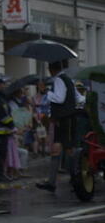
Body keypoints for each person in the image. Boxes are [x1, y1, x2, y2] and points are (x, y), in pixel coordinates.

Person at [37, 61, 81, 193]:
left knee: (68, 149)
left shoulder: (59, 80)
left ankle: (76, 179)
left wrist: (46, 92)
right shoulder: (69, 80)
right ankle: (51, 182)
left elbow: (59, 98)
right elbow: (78, 98)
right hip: (63, 119)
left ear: (51, 69)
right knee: (56, 149)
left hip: (64, 119)